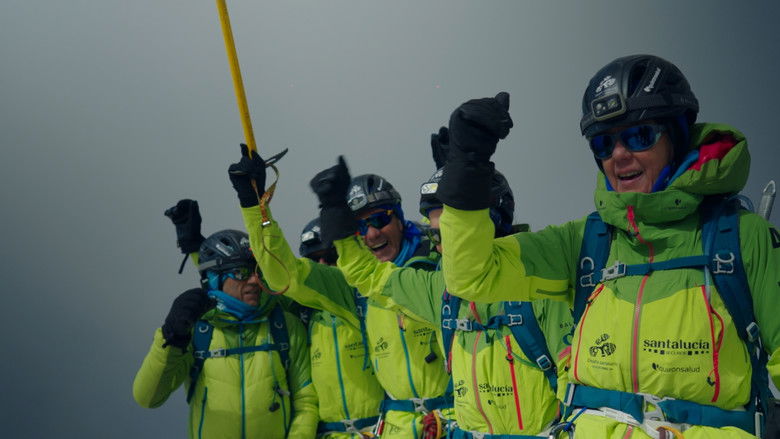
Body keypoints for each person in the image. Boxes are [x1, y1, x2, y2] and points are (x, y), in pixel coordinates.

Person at [434, 55, 780, 438]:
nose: (619, 154)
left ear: (677, 134)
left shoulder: (741, 238)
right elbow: (472, 275)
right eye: (603, 143)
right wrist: (466, 168)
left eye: (639, 136)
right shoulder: (585, 242)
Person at [310, 154, 574, 438]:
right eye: (435, 236)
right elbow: (369, 276)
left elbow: (575, 384)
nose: (438, 249)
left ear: (488, 223)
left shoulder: (541, 286)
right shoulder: (441, 292)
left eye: (451, 234)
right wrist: (336, 217)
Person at [228, 145, 453, 438]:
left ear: (399, 218)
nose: (372, 233)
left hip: (454, 421)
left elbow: (471, 248)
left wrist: (450, 187)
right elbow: (284, 273)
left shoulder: (437, 266)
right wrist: (254, 204)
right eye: (360, 226)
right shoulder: (351, 289)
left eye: (381, 219)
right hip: (397, 429)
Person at [133, 210, 317, 438]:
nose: (254, 281)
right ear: (214, 280)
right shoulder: (197, 330)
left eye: (257, 272)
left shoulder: (284, 325)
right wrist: (171, 336)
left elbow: (305, 402)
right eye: (241, 273)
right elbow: (148, 397)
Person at [298, 217, 388, 438]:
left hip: (380, 429)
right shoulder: (301, 316)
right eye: (312, 260)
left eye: (330, 258)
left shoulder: (372, 303)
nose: (322, 267)